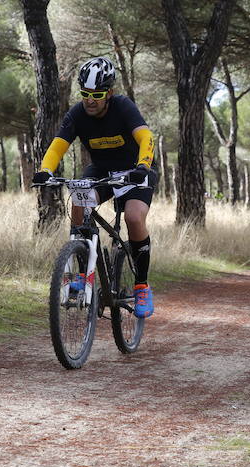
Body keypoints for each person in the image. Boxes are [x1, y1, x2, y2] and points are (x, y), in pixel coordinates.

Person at [32, 56, 157, 318]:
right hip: (102, 171)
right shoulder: (77, 113)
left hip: (135, 170)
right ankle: (82, 273)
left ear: (109, 93)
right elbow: (58, 145)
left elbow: (145, 136)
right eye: (85, 94)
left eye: (97, 94)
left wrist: (143, 165)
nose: (90, 100)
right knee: (79, 199)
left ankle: (142, 284)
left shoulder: (123, 107)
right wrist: (45, 170)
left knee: (134, 217)